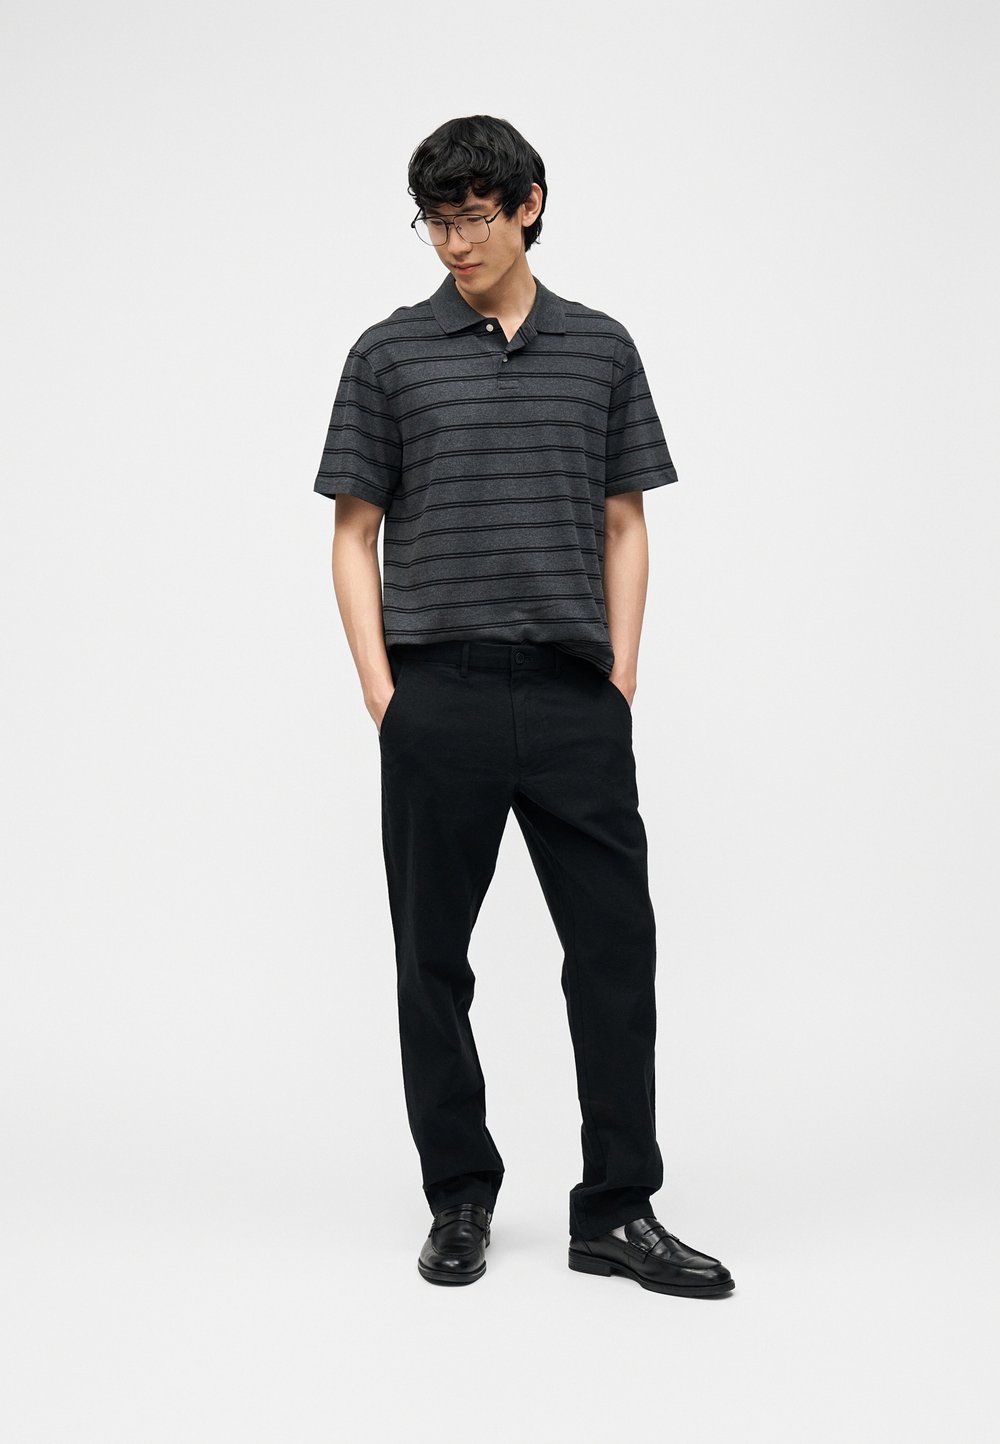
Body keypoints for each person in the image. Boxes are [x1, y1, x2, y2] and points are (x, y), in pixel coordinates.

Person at [312, 115, 734, 1298]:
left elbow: (623, 520)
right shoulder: (388, 355)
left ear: (529, 204)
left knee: (614, 952)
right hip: (435, 692)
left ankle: (618, 1210)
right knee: (430, 959)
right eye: (435, 222)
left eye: (474, 217)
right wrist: (384, 694)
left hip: (570, 695)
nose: (455, 242)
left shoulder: (599, 348)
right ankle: (459, 1196)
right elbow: (352, 533)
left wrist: (619, 676)